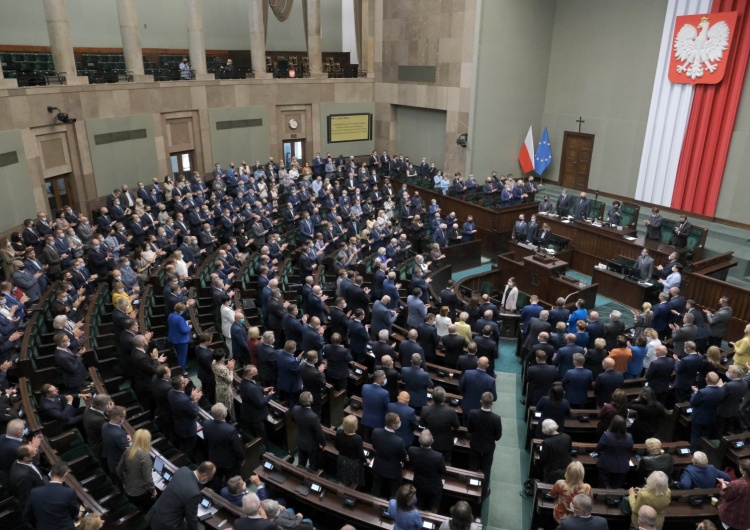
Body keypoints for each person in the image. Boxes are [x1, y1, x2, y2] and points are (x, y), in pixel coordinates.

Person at [147, 462, 217, 530]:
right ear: (204, 475)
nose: (209, 480)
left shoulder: (183, 470)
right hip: (167, 524)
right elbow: (192, 519)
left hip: (155, 513)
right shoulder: (194, 493)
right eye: (210, 478)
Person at [21, 461, 80, 530]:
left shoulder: (35, 492)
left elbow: (26, 515)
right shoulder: (69, 492)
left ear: (51, 474)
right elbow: (74, 512)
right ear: (65, 475)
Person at [467, 392, 502, 498]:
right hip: (488, 448)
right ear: (492, 403)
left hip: (475, 446)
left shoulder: (473, 413)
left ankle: (470, 489)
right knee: (486, 470)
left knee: (473, 466)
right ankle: (483, 493)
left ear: (481, 402)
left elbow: (470, 429)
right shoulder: (496, 419)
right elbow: (498, 437)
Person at [203, 403, 244, 491]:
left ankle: (217, 494)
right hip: (228, 463)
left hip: (213, 458)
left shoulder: (206, 424)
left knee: (217, 478)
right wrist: (242, 458)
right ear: (224, 414)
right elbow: (237, 448)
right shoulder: (231, 430)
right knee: (230, 480)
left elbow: (206, 441)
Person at [116, 428, 156, 512]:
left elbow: (119, 470)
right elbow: (148, 479)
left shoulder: (128, 450)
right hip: (140, 493)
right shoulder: (145, 457)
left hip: (127, 489)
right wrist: (153, 490)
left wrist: (124, 480)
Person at [407, 429, 446, 511]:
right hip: (433, 487)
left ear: (419, 440)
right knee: (433, 506)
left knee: (418, 505)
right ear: (432, 440)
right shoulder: (438, 456)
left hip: (418, 484)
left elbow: (411, 463)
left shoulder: (411, 450)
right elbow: (443, 471)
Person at [420, 386, 460, 464]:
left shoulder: (425, 409)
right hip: (445, 444)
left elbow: (422, 424)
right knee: (445, 463)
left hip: (430, 443)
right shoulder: (451, 411)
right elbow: (457, 426)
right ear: (444, 398)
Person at [371, 412, 407, 499]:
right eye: (399, 422)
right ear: (394, 425)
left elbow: (374, 446)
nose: (400, 423)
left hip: (377, 466)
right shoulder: (399, 441)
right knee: (394, 492)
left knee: (376, 489)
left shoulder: (376, 432)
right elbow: (403, 456)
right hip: (393, 471)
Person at [167, 374, 202, 460]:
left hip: (179, 424)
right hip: (188, 429)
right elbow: (194, 413)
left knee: (183, 445)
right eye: (184, 380)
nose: (186, 380)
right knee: (189, 449)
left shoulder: (171, 392)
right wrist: (195, 401)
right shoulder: (184, 400)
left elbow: (182, 405)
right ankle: (187, 462)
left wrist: (190, 397)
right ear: (182, 385)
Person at [239, 365, 274, 447]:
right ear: (250, 375)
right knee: (261, 435)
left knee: (254, 431)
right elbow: (261, 403)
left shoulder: (244, 380)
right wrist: (269, 395)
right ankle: (265, 450)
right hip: (255, 416)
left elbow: (255, 386)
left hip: (248, 412)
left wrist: (263, 389)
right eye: (255, 373)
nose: (257, 374)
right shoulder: (251, 388)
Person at [595, 415, 633, 488]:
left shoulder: (607, 436)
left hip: (606, 465)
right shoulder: (629, 436)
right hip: (623, 467)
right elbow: (629, 450)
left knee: (604, 487)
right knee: (616, 488)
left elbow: (598, 449)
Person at [690, 371, 724, 449]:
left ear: (706, 379)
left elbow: (693, 403)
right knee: (705, 436)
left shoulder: (702, 392)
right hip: (712, 417)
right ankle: (703, 450)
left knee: (695, 436)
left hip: (699, 417)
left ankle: (694, 452)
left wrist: (695, 392)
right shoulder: (722, 391)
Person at [293, 391, 325, 471]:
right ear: (310, 402)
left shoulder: (295, 409)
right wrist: (323, 444)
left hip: (300, 441)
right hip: (311, 445)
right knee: (313, 466)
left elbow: (293, 419)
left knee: (301, 464)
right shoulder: (313, 417)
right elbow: (319, 433)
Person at [717, 458, 750, 530]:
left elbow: (726, 495)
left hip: (732, 520)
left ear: (743, 470)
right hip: (747, 521)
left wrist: (723, 484)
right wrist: (731, 485)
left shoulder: (737, 484)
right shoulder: (737, 484)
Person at [335, 415, 366, 488]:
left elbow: (336, 445)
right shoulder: (358, 438)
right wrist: (365, 460)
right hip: (353, 463)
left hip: (342, 458)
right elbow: (360, 454)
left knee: (342, 476)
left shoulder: (339, 432)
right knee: (353, 481)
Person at [539, 419, 572, 483]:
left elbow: (543, 458)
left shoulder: (546, 442)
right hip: (567, 468)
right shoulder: (567, 436)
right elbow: (569, 450)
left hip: (552, 471)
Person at [102, 405, 130, 479]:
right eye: (124, 417)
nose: (124, 418)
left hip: (111, 460)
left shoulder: (105, 426)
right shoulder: (118, 435)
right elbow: (128, 450)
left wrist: (126, 435)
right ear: (118, 418)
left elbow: (119, 429)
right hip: (120, 465)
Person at [362, 370, 390, 442]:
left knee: (366, 438)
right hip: (378, 422)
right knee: (377, 440)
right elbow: (387, 407)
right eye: (384, 378)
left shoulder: (365, 387)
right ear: (380, 380)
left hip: (366, 418)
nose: (385, 379)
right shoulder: (385, 393)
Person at [167, 302, 192, 375]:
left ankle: (182, 367)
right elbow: (184, 330)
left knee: (179, 355)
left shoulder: (170, 315)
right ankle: (182, 371)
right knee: (182, 356)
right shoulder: (179, 318)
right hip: (181, 340)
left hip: (174, 338)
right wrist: (189, 327)